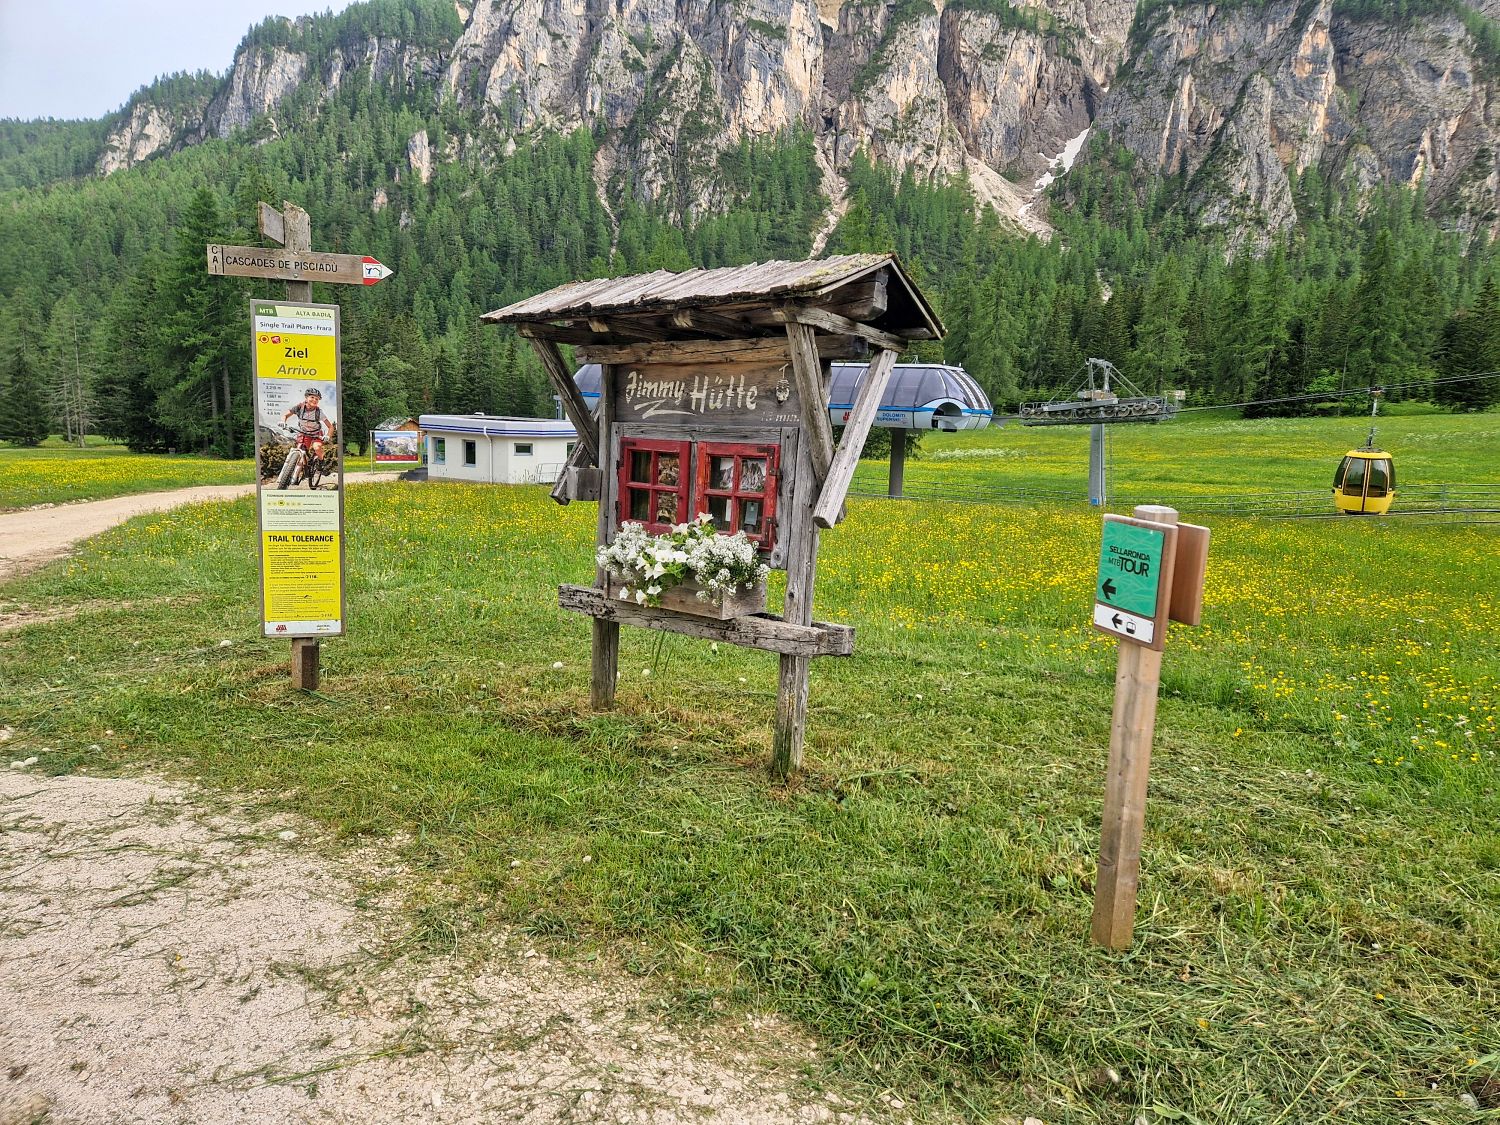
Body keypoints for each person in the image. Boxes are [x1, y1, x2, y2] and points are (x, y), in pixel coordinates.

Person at [282, 387, 334, 461]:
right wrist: (283, 422)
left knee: (317, 447)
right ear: (306, 398)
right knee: (299, 449)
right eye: (312, 397)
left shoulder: (319, 412)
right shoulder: (299, 407)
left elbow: (330, 426)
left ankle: (321, 462)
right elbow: (285, 415)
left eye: (317, 399)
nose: (314, 400)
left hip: (316, 434)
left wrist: (328, 436)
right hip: (304, 433)